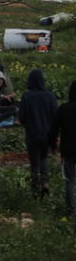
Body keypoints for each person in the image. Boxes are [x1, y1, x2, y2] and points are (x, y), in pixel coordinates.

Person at [18, 68, 58, 198]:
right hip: (47, 134)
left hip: (32, 134)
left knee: (34, 162)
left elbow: (22, 117)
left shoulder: (27, 96)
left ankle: (35, 188)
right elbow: (55, 117)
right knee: (44, 158)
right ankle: (45, 183)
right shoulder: (50, 96)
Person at [54, 81, 76, 216]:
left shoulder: (63, 108)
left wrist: (52, 144)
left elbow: (54, 128)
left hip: (67, 149)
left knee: (69, 180)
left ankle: (71, 210)